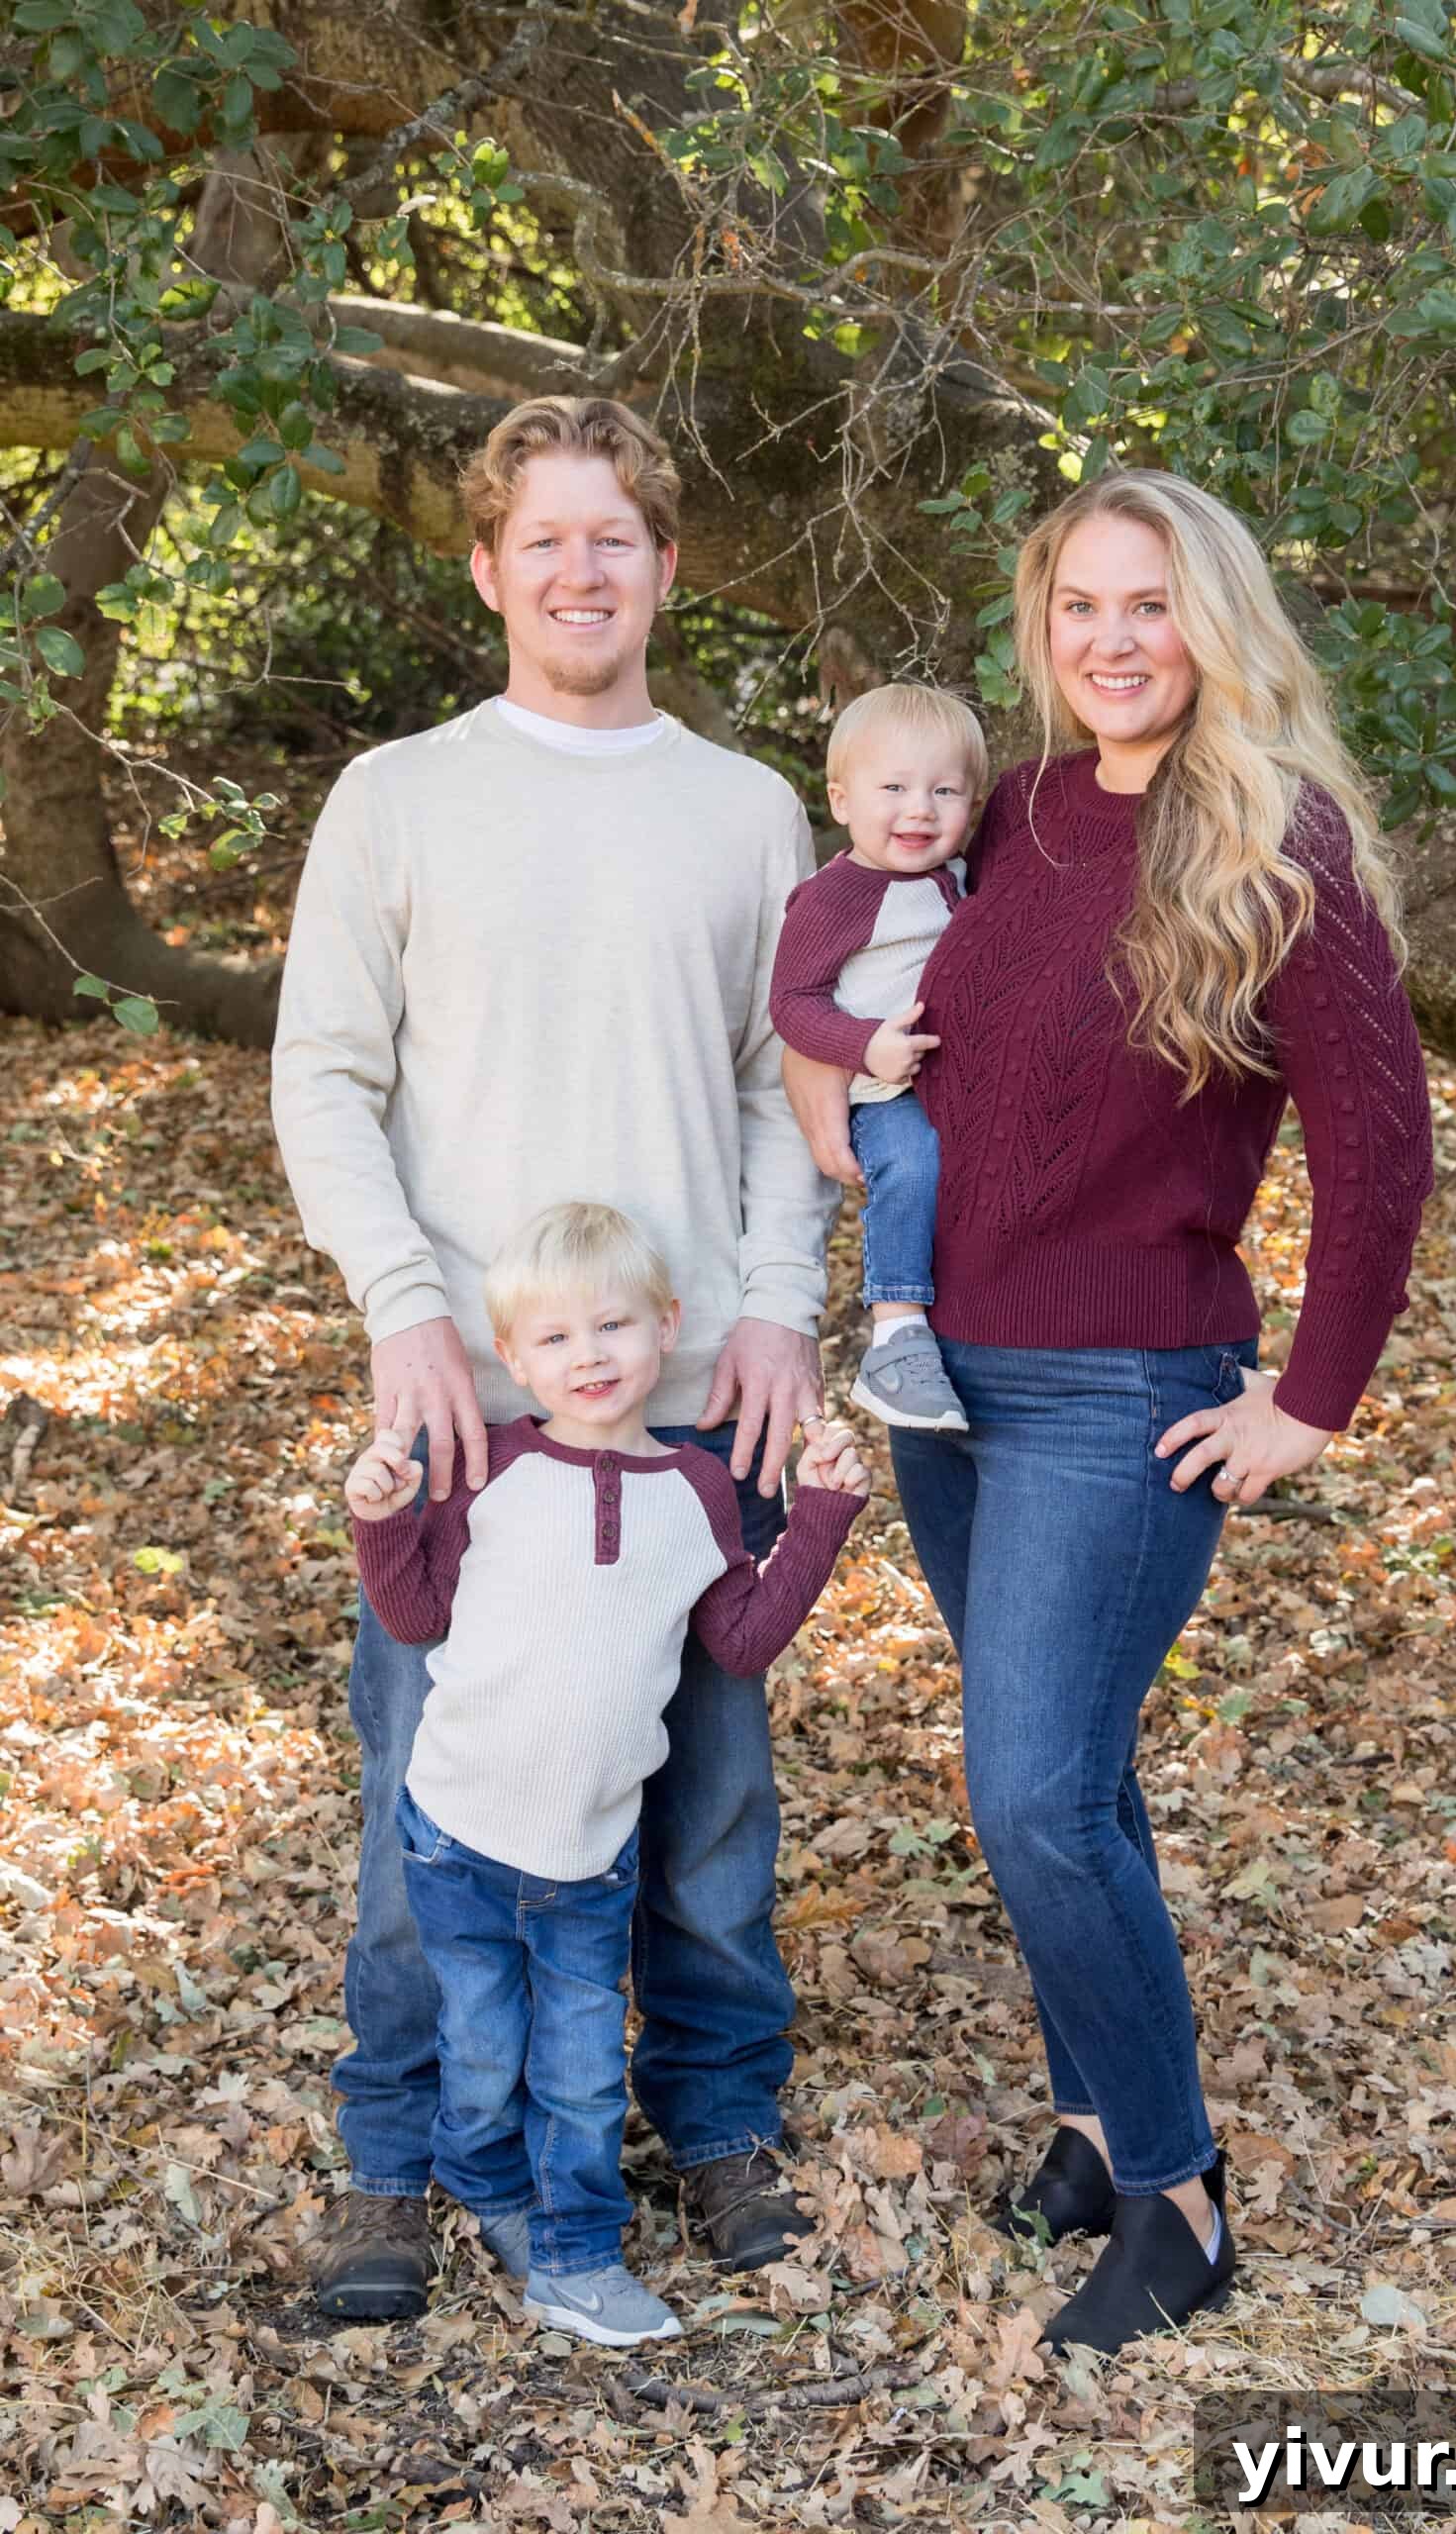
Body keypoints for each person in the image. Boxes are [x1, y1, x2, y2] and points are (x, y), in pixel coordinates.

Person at [782, 469, 1436, 2355]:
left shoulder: (1272, 840)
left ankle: (1175, 2194)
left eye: (1146, 603)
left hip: (1123, 1392)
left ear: (1209, 619)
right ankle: (1086, 2123)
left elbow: (1377, 1148)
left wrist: (1310, 1399)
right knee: (1072, 1777)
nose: (1111, 639)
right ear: (1040, 628)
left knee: (1035, 1799)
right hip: (944, 1382)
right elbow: (884, 1008)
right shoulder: (1014, 812)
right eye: (1078, 605)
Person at [271, 394, 840, 2320]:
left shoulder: (746, 807)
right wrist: (400, 1306)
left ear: (667, 566)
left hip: (698, 1401)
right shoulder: (401, 796)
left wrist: (778, 1296)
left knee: (703, 1795)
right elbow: (325, 1077)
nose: (581, 569)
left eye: (617, 538)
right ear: (489, 567)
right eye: (546, 539)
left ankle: (717, 2115)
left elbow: (791, 1089)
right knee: (428, 1789)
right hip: (472, 1404)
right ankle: (396, 2153)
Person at [344, 1203, 867, 2347]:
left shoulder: (696, 1491)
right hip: (457, 1837)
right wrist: (380, 1520)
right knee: (483, 2056)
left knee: (580, 2071)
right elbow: (416, 1614)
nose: (588, 1356)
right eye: (554, 1339)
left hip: (589, 1856)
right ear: (511, 1356)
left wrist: (822, 1514)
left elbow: (739, 1639)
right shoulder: (493, 1476)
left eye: (614, 1326)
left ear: (669, 1326)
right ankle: (484, 2184)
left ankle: (576, 2255)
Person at [770, 685, 988, 1435]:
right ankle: (895, 1337)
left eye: (943, 790)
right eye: (892, 788)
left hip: (965, 1090)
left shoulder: (958, 878)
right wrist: (865, 1045)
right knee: (914, 1168)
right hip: (886, 1090)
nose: (919, 810)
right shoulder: (836, 897)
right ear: (840, 799)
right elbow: (792, 1003)